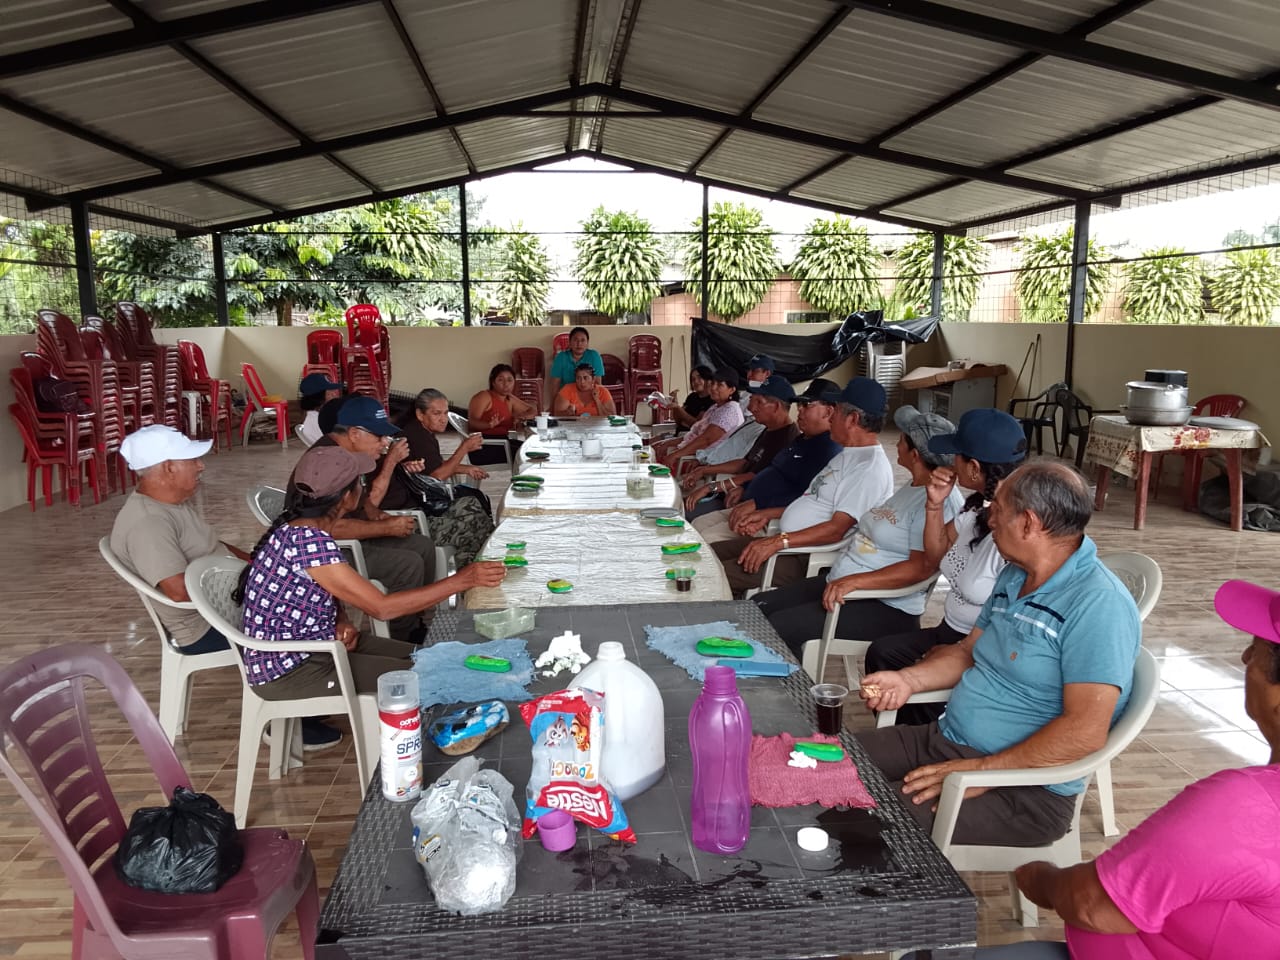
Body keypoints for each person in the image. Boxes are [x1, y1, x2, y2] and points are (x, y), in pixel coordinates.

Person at [945, 578, 1280, 960]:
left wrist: (1043, 878)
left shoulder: (1246, 806)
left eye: (1259, 650)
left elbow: (1093, 905)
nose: (1245, 658)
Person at [855, 461, 1141, 846]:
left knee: (861, 825)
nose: (989, 519)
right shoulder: (1014, 575)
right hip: (947, 740)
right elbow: (968, 652)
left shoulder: (1099, 605)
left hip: (1025, 790)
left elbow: (1084, 731)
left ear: (1029, 523)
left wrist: (982, 770)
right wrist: (907, 679)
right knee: (821, 763)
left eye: (998, 510)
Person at [110, 424, 342, 750]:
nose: (201, 466)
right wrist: (263, 592)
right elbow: (178, 590)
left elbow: (213, 546)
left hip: (229, 604)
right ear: (168, 468)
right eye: (192, 460)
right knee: (309, 618)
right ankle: (286, 718)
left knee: (317, 601)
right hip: (206, 625)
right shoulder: (148, 523)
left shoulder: (172, 504)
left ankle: (308, 698)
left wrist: (259, 566)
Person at [234, 446, 506, 700]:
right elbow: (382, 608)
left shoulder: (300, 527)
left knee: (433, 658)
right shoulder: (309, 542)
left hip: (320, 643)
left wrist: (340, 619)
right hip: (293, 669)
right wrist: (463, 580)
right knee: (434, 677)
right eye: (360, 483)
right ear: (346, 497)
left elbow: (324, 589)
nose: (363, 488)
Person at [754, 405, 964, 654]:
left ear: (915, 454)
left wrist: (855, 581)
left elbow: (921, 568)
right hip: (843, 583)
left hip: (885, 605)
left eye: (901, 439)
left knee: (778, 626)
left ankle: (791, 679)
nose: (896, 443)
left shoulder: (940, 502)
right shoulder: (914, 485)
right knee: (758, 606)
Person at [866, 408, 1028, 724]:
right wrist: (934, 504)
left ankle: (923, 731)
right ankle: (900, 729)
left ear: (974, 467)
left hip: (979, 646)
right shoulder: (978, 508)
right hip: (949, 631)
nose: (950, 461)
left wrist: (960, 650)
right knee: (883, 652)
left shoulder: (1013, 537)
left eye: (956, 455)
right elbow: (937, 553)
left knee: (900, 665)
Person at [710, 377, 894, 596]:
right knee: (705, 554)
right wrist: (767, 515)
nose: (830, 416)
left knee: (710, 576)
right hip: (786, 541)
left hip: (803, 556)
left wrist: (778, 542)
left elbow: (835, 531)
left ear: (852, 419)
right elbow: (812, 501)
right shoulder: (848, 455)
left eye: (836, 411)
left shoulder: (869, 469)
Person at [295, 395, 440, 643]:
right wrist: (384, 528)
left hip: (352, 535)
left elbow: (364, 502)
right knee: (407, 564)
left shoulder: (351, 455)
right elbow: (329, 528)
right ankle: (403, 638)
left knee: (423, 546)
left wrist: (379, 516)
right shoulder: (327, 461)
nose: (384, 443)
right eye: (379, 436)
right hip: (332, 549)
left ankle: (414, 620)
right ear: (354, 433)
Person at [692, 379, 840, 545]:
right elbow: (767, 470)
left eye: (806, 405)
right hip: (748, 503)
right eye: (799, 405)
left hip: (769, 520)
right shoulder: (801, 439)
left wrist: (758, 505)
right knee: (698, 524)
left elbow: (806, 497)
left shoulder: (826, 449)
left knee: (705, 538)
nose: (799, 410)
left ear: (828, 412)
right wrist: (745, 488)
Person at [381, 388, 495, 566]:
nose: (443, 419)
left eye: (445, 413)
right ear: (420, 414)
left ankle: (476, 564)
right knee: (473, 521)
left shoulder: (421, 432)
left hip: (421, 502)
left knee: (472, 502)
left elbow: (434, 467)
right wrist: (463, 449)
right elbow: (437, 476)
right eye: (436, 413)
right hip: (416, 510)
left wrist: (464, 468)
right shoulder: (416, 436)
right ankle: (473, 569)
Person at [680, 377, 799, 520]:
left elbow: (755, 475)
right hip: (731, 492)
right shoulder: (769, 429)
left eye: (758, 402)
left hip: (745, 503)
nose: (750, 408)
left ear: (776, 407)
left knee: (683, 513)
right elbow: (745, 463)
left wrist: (710, 487)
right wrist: (704, 470)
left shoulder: (787, 439)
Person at [654, 368, 745, 469]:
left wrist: (675, 455)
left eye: (720, 385)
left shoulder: (730, 410)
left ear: (732, 390)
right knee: (654, 450)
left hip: (704, 461)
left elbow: (706, 440)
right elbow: (695, 434)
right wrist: (668, 443)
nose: (713, 388)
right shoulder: (715, 407)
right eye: (713, 383)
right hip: (690, 452)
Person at [467, 363, 537, 465]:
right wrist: (488, 425)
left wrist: (520, 417)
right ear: (493, 382)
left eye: (510, 380)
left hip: (502, 443)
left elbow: (532, 410)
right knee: (529, 455)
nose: (506, 384)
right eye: (500, 380)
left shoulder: (509, 399)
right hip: (483, 447)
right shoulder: (484, 396)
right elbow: (472, 423)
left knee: (534, 449)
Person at [547, 326, 604, 400]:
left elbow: (598, 384)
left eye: (583, 340)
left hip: (589, 397)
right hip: (566, 397)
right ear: (570, 343)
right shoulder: (561, 357)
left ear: (587, 343)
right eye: (575, 340)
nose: (579, 343)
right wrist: (554, 404)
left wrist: (597, 402)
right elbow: (555, 385)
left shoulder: (594, 356)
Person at [552, 362, 616, 417]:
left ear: (593, 379)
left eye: (585, 378)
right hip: (573, 427)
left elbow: (612, 416)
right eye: (578, 378)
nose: (582, 382)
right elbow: (556, 414)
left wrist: (597, 400)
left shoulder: (603, 391)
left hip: (598, 427)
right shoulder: (567, 389)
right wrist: (567, 413)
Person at [297, 372, 342, 446]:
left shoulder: (315, 417)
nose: (334, 395)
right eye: (329, 393)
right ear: (319, 398)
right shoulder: (320, 421)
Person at [668, 365, 714, 430]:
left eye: (699, 378)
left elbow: (697, 424)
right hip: (681, 432)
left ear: (708, 379)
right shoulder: (692, 397)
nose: (696, 381)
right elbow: (678, 421)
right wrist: (675, 404)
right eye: (693, 379)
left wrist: (678, 408)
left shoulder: (712, 399)